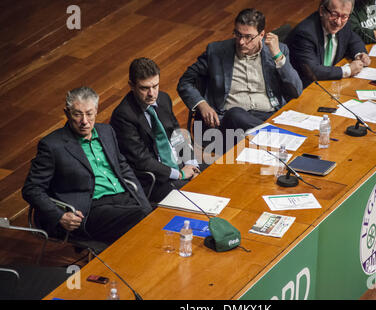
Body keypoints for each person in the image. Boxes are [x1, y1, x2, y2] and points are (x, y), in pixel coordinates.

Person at [22, 87, 151, 245]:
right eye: (77, 114)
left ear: (96, 111)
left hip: (125, 200)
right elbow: (31, 189)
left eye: (89, 114)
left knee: (158, 213)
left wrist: (144, 203)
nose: (84, 121)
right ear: (67, 112)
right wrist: (60, 216)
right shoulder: (52, 145)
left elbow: (123, 168)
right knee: (143, 218)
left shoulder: (107, 131)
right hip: (90, 209)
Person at [177, 8, 303, 136]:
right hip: (228, 123)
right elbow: (185, 81)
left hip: (267, 116)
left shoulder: (278, 50)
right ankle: (278, 136)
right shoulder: (216, 51)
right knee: (236, 114)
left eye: (248, 37)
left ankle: (268, 135)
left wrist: (278, 57)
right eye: (238, 34)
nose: (241, 42)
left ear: (261, 35)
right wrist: (202, 105)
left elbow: (297, 91)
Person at [110, 58, 202, 203]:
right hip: (155, 178)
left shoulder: (164, 99)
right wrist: (179, 174)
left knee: (215, 173)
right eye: (144, 88)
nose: (152, 94)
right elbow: (142, 160)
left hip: (179, 164)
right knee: (195, 194)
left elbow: (177, 135)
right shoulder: (123, 116)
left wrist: (192, 164)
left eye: (155, 86)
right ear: (131, 86)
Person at [286, 0, 371, 88]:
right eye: (334, 14)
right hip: (306, 89)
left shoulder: (344, 22)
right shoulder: (305, 33)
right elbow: (313, 71)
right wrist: (348, 70)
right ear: (322, 11)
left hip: (330, 85)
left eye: (344, 16)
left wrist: (360, 54)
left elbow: (354, 40)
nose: (338, 22)